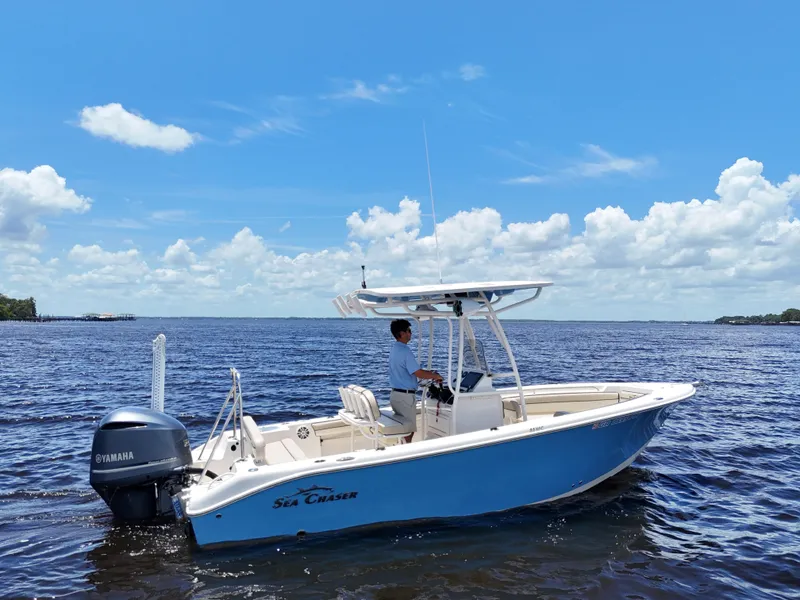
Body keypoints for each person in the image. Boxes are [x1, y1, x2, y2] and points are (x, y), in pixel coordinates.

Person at [388, 319, 442, 443]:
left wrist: (429, 374)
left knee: (403, 430)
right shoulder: (405, 351)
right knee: (408, 431)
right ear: (401, 333)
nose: (410, 334)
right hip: (405, 397)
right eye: (409, 331)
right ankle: (406, 455)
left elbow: (412, 370)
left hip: (396, 395)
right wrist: (435, 376)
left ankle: (402, 450)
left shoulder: (394, 349)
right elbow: (417, 373)